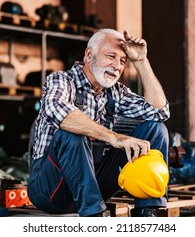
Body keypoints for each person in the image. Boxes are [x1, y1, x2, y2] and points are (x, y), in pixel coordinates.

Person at [27, 28, 170, 217]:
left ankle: (149, 210)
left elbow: (159, 111)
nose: (117, 66)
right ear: (89, 55)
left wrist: (141, 62)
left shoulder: (115, 92)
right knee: (71, 133)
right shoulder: (61, 80)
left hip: (93, 185)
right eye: (111, 56)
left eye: (122, 61)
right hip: (51, 190)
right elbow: (59, 111)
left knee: (155, 129)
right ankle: (94, 217)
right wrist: (114, 138)